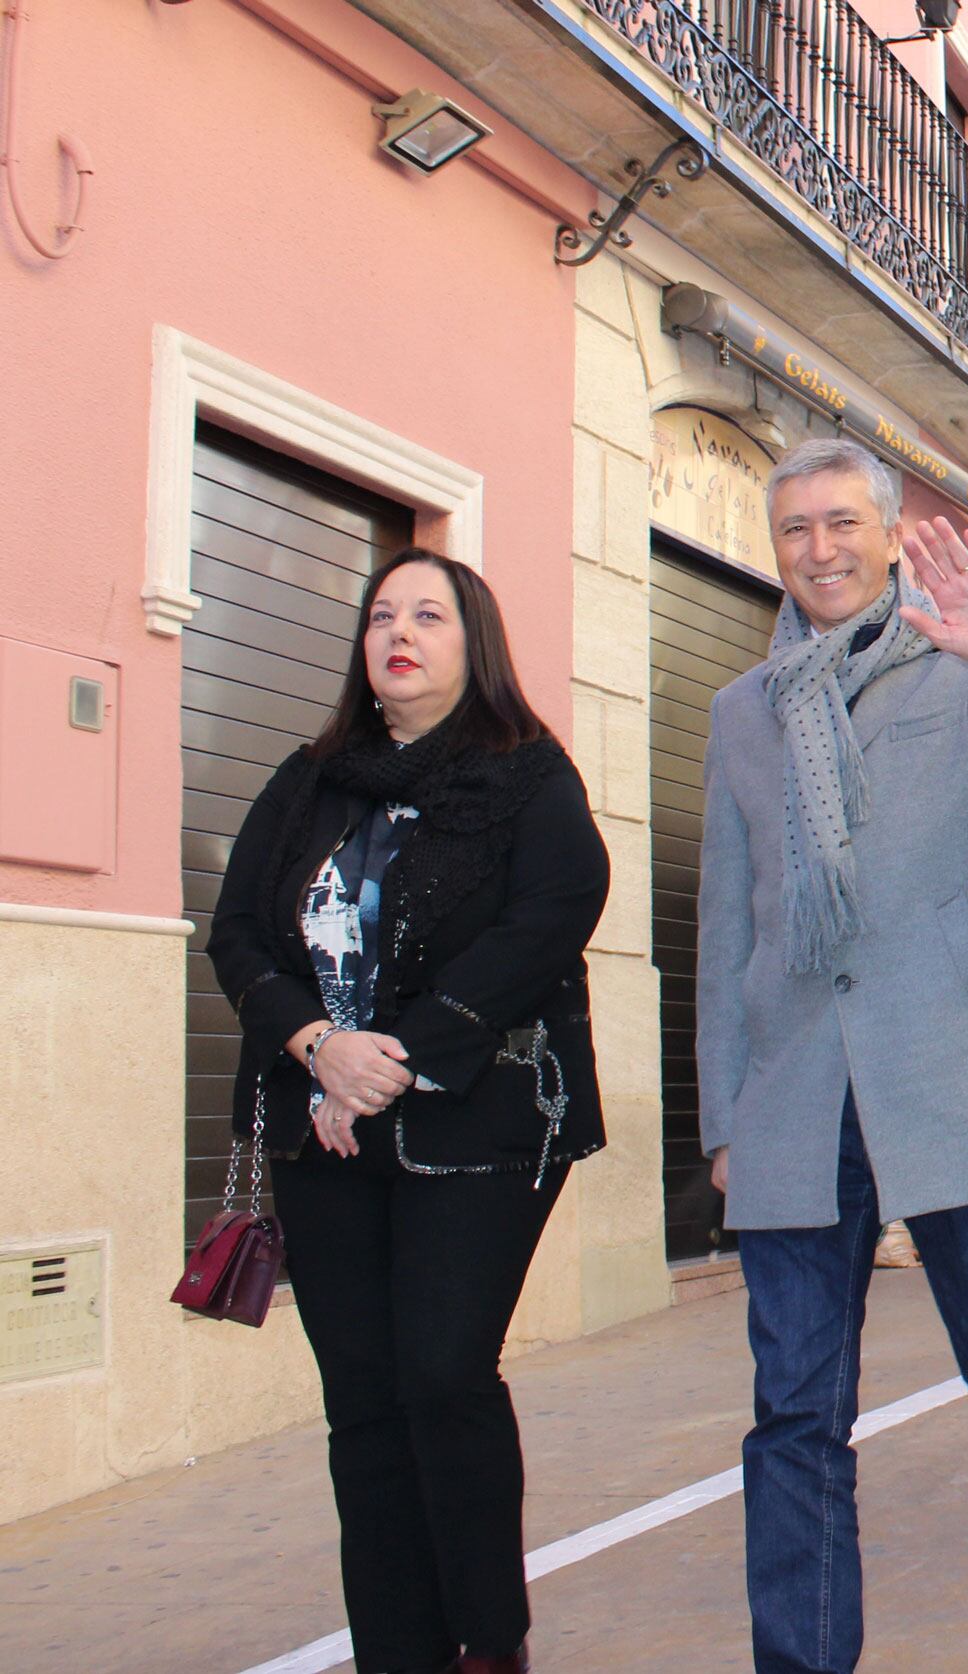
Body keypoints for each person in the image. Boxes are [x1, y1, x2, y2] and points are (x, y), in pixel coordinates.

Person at [697, 437, 968, 1674]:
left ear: (889, 535)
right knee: (794, 1418)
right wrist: (726, 1114)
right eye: (795, 531)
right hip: (793, 1098)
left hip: (950, 1078)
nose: (820, 550)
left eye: (842, 524)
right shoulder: (743, 712)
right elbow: (731, 924)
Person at [208, 549, 609, 1674]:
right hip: (319, 1124)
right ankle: (399, 1649)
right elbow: (237, 931)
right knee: (367, 1404)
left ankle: (490, 1641)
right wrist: (318, 1046)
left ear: (471, 641)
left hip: (479, 1124)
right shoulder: (309, 778)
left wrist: (392, 1059)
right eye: (384, 613)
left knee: (443, 1373)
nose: (401, 632)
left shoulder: (530, 774)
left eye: (429, 614)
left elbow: (550, 919)